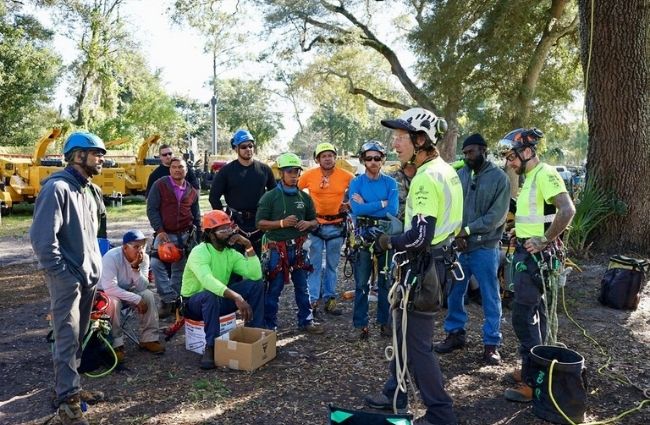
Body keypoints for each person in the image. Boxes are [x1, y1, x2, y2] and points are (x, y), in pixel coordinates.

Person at [364, 108, 461, 425]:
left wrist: (386, 243)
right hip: (437, 265)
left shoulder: (425, 179)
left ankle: (440, 413)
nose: (394, 144)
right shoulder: (446, 171)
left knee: (418, 347)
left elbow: (420, 237)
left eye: (400, 137)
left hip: (423, 270)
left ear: (421, 140)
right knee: (402, 335)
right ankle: (395, 393)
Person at [30, 131, 108, 425]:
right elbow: (41, 240)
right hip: (68, 281)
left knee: (78, 339)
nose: (102, 158)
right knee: (66, 339)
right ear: (78, 155)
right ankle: (68, 407)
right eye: (96, 153)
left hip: (88, 279)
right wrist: (64, 276)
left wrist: (97, 268)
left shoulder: (91, 190)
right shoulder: (57, 188)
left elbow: (97, 234)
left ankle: (71, 390)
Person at [497, 128, 575, 403]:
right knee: (536, 313)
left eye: (512, 156)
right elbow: (539, 215)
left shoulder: (546, 174)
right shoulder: (530, 177)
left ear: (527, 151)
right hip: (526, 253)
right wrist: (519, 232)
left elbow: (567, 210)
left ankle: (532, 381)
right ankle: (535, 367)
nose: (510, 162)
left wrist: (543, 240)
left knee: (523, 314)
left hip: (536, 257)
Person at [435, 133, 510, 365]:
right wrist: (456, 234)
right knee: (455, 293)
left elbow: (496, 217)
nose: (467, 157)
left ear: (483, 150)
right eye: (465, 153)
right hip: (460, 247)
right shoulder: (460, 174)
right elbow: (451, 207)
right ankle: (455, 334)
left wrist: (466, 231)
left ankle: (491, 344)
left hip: (485, 248)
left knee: (490, 295)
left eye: (471, 152)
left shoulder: (499, 178)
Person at [181, 210, 264, 369]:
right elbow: (207, 281)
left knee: (256, 285)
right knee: (209, 295)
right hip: (194, 304)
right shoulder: (199, 252)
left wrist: (248, 246)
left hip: (218, 301)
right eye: (223, 230)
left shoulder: (230, 253)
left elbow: (255, 275)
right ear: (211, 234)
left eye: (229, 228)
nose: (229, 233)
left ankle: (254, 333)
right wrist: (237, 298)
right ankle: (211, 347)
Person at [257, 152, 324, 334]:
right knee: (275, 289)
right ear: (281, 173)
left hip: (300, 249)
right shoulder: (270, 197)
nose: (294, 176)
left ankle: (306, 321)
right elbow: (260, 223)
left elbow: (315, 221)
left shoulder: (304, 198)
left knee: (303, 287)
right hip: (277, 250)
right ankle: (270, 326)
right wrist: (281, 223)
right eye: (290, 172)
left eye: (296, 172)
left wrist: (308, 224)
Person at [348, 141, 399, 340]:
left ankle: (384, 322)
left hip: (385, 235)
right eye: (368, 158)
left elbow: (392, 210)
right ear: (363, 160)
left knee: (386, 280)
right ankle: (360, 324)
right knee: (361, 283)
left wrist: (368, 204)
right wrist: (380, 203)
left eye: (377, 158)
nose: (373, 162)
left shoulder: (391, 183)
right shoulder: (356, 182)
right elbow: (356, 209)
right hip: (363, 235)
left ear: (383, 159)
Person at [297, 142, 354, 317]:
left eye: (330, 155)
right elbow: (295, 191)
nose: (328, 159)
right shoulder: (309, 175)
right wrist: (303, 211)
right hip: (316, 225)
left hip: (336, 226)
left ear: (335, 158)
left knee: (332, 265)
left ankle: (330, 299)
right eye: (324, 156)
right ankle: (313, 300)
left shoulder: (347, 176)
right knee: (313, 265)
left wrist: (349, 204)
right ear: (317, 159)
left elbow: (360, 192)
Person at [98, 230, 165, 362]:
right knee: (114, 301)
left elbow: (142, 287)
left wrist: (135, 268)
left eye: (142, 246)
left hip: (127, 291)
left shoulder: (144, 258)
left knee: (148, 295)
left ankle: (149, 339)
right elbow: (110, 288)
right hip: (105, 293)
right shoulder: (111, 257)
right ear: (125, 248)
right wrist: (136, 299)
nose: (140, 250)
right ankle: (116, 344)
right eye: (136, 247)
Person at [146, 157, 201, 317]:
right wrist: (160, 230)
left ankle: (174, 304)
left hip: (185, 234)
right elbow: (152, 209)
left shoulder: (191, 191)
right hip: (164, 233)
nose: (178, 170)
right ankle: (168, 298)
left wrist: (197, 235)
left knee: (179, 270)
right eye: (174, 167)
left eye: (181, 167)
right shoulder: (160, 185)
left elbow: (196, 214)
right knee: (156, 264)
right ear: (170, 169)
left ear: (186, 170)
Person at [208, 129, 276, 256]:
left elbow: (274, 195)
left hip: (259, 222)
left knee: (258, 265)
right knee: (235, 266)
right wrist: (224, 220)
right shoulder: (226, 171)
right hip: (235, 223)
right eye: (244, 146)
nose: (248, 149)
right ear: (236, 149)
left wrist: (270, 216)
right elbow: (214, 197)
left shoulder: (264, 169)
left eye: (251, 146)